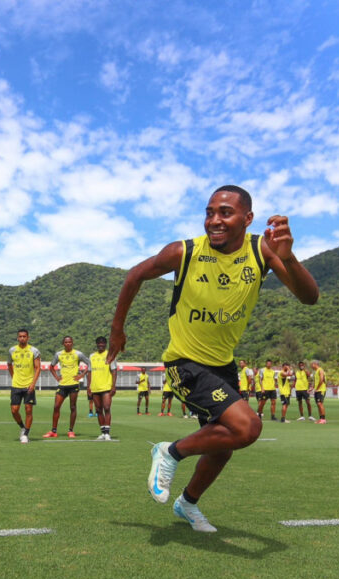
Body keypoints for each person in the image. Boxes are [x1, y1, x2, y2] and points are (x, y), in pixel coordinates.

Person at [108, 185, 318, 532]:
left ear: (247, 219)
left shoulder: (262, 251)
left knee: (224, 443)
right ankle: (169, 451)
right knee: (247, 427)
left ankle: (187, 504)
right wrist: (117, 330)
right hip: (184, 362)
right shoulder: (184, 251)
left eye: (225, 213)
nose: (214, 220)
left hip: (223, 364)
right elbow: (135, 276)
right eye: (209, 212)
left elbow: (309, 297)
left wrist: (290, 258)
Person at [45, 336, 90, 438]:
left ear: (72, 343)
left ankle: (71, 431)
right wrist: (57, 377)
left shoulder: (78, 354)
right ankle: (53, 431)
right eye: (66, 342)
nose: (68, 344)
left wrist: (81, 375)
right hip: (62, 385)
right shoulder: (59, 354)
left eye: (70, 342)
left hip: (73, 384)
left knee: (73, 407)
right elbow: (51, 366)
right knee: (56, 406)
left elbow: (89, 363)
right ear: (63, 344)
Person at [7, 329, 40, 443]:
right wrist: (13, 376)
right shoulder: (12, 350)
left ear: (28, 338)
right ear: (17, 338)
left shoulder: (34, 351)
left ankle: (26, 434)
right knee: (14, 410)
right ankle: (22, 427)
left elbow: (38, 368)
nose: (22, 338)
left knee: (28, 409)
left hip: (28, 385)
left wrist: (33, 384)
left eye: (24, 336)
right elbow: (9, 364)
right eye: (20, 336)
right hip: (16, 385)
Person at [88, 337, 118, 440]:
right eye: (99, 343)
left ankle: (107, 433)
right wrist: (89, 387)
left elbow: (114, 371)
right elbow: (90, 372)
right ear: (96, 344)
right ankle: (102, 433)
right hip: (95, 387)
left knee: (107, 408)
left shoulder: (110, 355)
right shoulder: (92, 356)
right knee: (98, 410)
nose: (101, 345)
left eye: (103, 343)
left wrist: (113, 386)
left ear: (106, 344)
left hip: (106, 387)